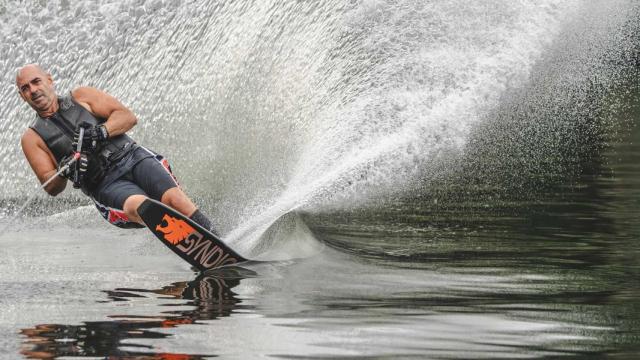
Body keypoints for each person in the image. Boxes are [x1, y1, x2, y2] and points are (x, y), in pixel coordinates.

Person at [16, 64, 216, 232]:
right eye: (25, 88)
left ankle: (217, 239)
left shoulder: (82, 96)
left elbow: (127, 117)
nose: (33, 90)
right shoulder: (32, 138)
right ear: (22, 95)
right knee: (141, 206)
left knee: (175, 199)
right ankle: (190, 243)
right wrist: (65, 169)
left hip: (133, 157)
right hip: (105, 185)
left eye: (36, 81)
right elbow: (50, 186)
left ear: (49, 80)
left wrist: (100, 131)